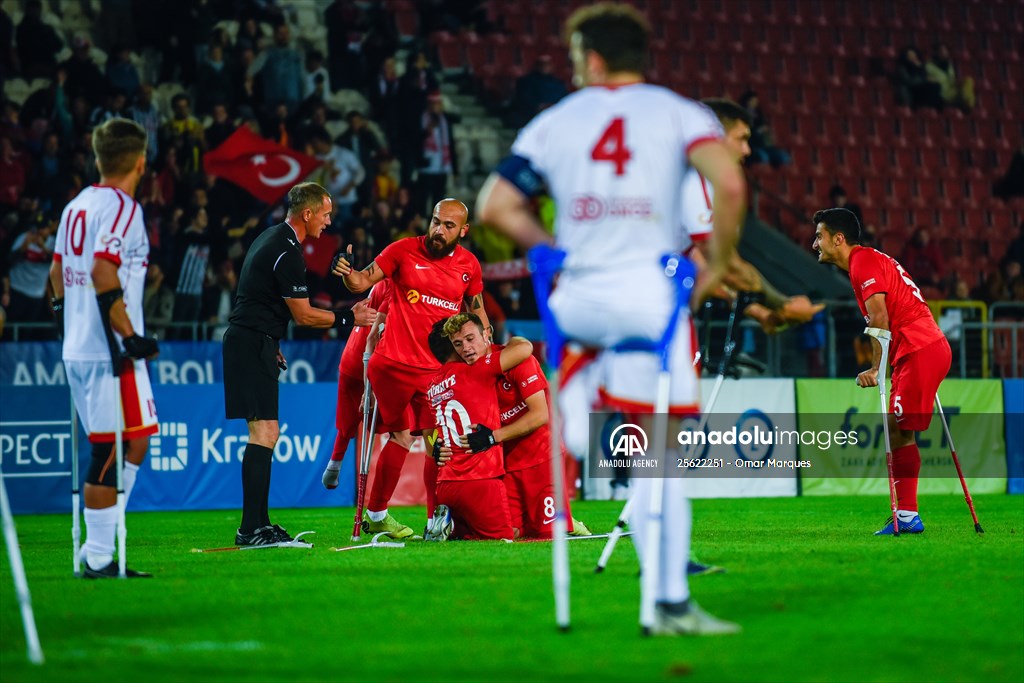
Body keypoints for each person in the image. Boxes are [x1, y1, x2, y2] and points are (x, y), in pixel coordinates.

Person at [476, 3, 744, 635]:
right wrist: (716, 266)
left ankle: (576, 410)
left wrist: (551, 248)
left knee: (593, 385)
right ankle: (670, 603)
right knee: (664, 459)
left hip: (579, 298)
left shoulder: (555, 120)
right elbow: (730, 185)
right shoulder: (681, 113)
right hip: (650, 300)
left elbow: (495, 205)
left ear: (592, 59)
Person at [223, 182, 376, 547]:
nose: (328, 222)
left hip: (256, 341)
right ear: (307, 213)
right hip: (250, 342)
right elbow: (304, 316)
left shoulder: (274, 238)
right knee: (263, 433)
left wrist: (272, 341)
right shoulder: (286, 250)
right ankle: (251, 529)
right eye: (325, 214)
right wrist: (350, 318)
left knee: (267, 433)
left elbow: (260, 297)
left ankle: (259, 525)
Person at [333, 198, 490, 538]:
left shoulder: (469, 265)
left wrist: (485, 341)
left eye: (448, 226)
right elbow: (360, 282)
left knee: (438, 443)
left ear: (463, 231)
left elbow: (477, 309)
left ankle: (433, 520)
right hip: (394, 365)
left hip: (434, 372)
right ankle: (377, 512)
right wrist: (347, 271)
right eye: (435, 221)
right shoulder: (403, 251)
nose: (438, 230)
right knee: (403, 435)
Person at [47, 118, 160, 578]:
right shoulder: (122, 208)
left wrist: (68, 323)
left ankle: (102, 538)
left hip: (80, 344)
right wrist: (129, 336)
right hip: (109, 349)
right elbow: (102, 270)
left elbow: (57, 273)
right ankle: (96, 555)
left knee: (136, 439)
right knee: (109, 450)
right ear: (140, 162)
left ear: (98, 158)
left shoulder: (76, 205)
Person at [812, 207, 951, 535]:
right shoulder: (866, 261)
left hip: (918, 347)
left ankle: (908, 516)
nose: (814, 243)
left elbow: (879, 318)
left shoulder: (863, 262)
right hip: (918, 347)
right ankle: (907, 515)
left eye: (819, 236)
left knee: (899, 429)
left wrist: (876, 369)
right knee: (897, 428)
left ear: (838, 239)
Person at [425, 313, 533, 541]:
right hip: (480, 480)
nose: (466, 348)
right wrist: (504, 342)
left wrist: (435, 448)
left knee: (470, 540)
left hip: (445, 485)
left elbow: (431, 435)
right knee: (506, 540)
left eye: (468, 340)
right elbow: (525, 348)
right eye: (459, 343)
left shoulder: (431, 387)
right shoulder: (476, 370)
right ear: (453, 347)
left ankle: (446, 525)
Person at [321, 279, 391, 489]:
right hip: (369, 359)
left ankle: (334, 465)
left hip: (350, 357)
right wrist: (370, 387)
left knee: (348, 420)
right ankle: (380, 496)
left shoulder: (379, 283)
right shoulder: (395, 288)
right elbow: (374, 340)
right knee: (402, 431)